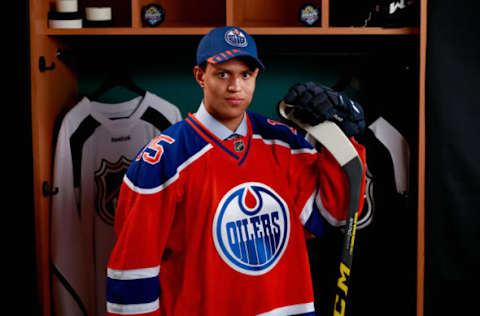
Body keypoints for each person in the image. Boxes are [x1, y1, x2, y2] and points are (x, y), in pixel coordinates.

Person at [106, 26, 366, 316]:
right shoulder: (162, 161)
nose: (235, 86)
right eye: (222, 74)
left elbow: (331, 217)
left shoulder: (283, 143)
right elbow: (132, 277)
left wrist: (340, 140)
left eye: (245, 74)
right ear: (199, 76)